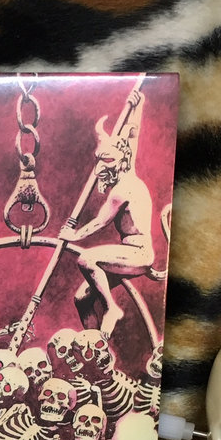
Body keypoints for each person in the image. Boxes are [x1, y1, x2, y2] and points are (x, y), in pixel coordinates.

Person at [59, 89, 157, 338]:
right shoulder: (127, 170)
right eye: (99, 161)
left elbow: (99, 222)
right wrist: (137, 106)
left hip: (138, 254)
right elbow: (132, 135)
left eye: (107, 161)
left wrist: (74, 235)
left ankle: (111, 309)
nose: (100, 168)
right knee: (82, 298)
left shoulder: (122, 190)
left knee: (86, 259)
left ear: (120, 160)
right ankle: (92, 346)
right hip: (127, 253)